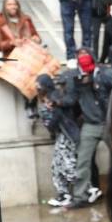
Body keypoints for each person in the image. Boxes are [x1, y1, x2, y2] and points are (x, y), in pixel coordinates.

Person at [61, 51, 108, 207]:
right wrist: (57, 101)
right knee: (83, 161)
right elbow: (71, 99)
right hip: (90, 124)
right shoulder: (77, 78)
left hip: (109, 122)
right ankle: (80, 196)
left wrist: (96, 84)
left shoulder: (103, 73)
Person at [34, 72, 78, 208]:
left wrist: (53, 110)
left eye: (40, 87)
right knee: (56, 167)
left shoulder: (55, 97)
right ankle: (64, 194)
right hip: (61, 135)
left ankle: (83, 190)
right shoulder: (47, 99)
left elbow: (59, 119)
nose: (38, 90)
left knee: (68, 167)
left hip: (67, 135)